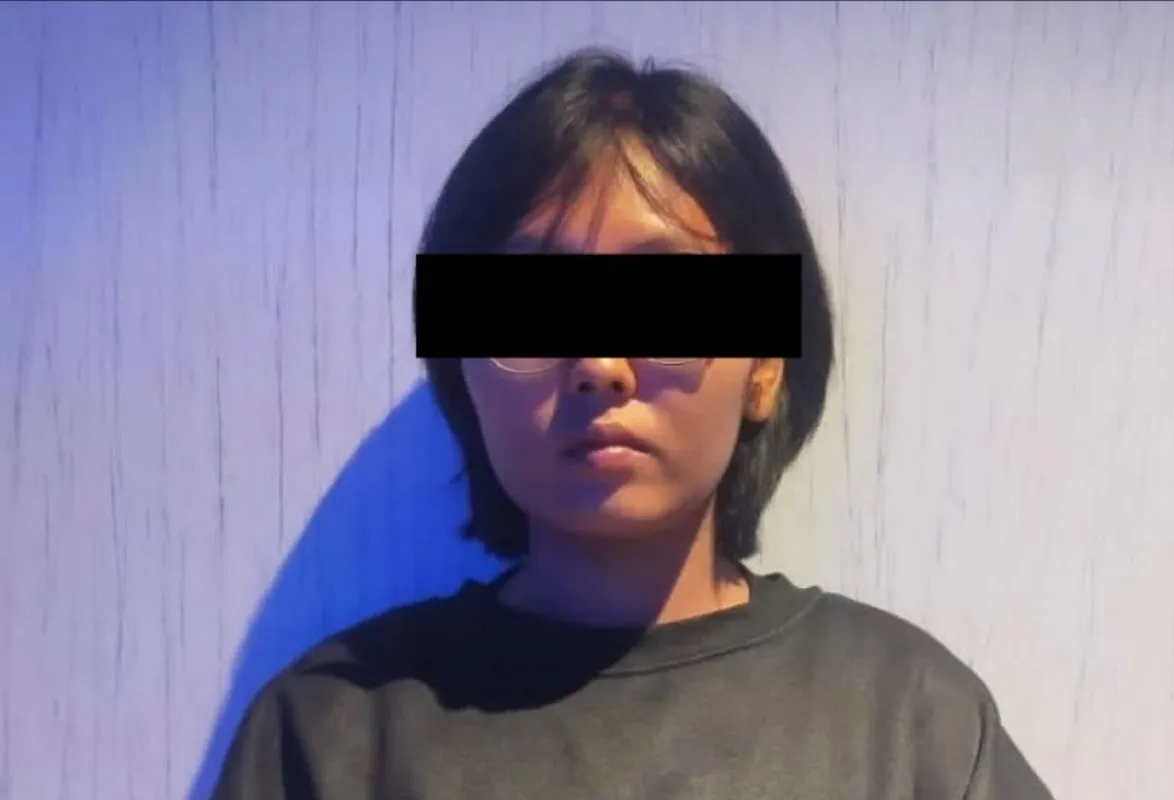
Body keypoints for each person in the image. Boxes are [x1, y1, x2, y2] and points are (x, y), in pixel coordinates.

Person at [212, 48, 1054, 799]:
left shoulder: (907, 721)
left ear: (765, 366)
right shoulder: (330, 736)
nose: (600, 363)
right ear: (463, 369)